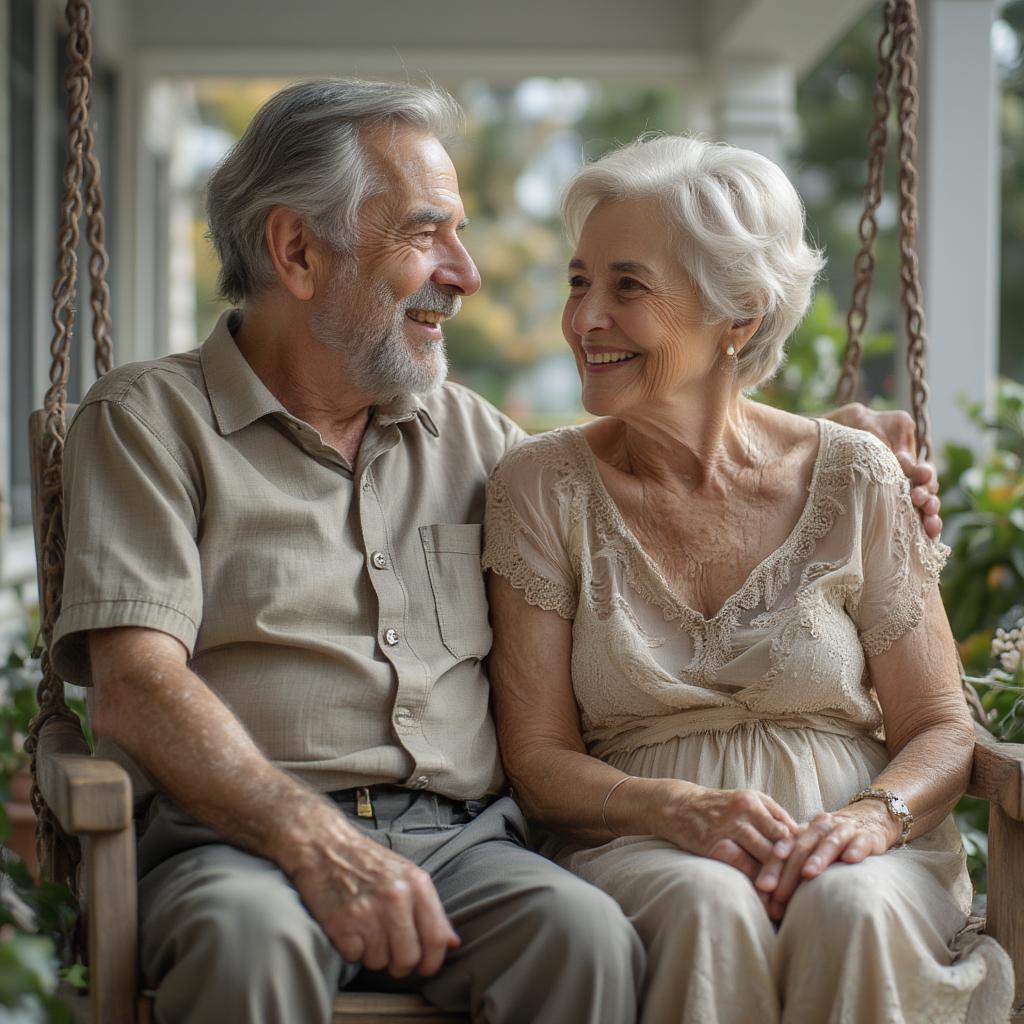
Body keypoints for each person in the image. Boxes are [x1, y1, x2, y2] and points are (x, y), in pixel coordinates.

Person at [52, 81, 943, 1023]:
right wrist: (315, 840)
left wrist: (826, 447)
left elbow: (651, 472)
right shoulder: (150, 424)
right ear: (298, 251)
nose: (467, 272)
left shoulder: (480, 443)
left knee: (584, 936)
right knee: (247, 942)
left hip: (466, 848)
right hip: (240, 841)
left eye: (463, 233)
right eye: (425, 233)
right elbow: (138, 685)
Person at [482, 134, 1014, 1024]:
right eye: (580, 282)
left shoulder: (855, 474)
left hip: (860, 843)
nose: (584, 320)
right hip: (639, 842)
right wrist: (678, 811)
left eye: (627, 285)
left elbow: (938, 724)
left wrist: (873, 819)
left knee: (848, 904)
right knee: (707, 903)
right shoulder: (542, 487)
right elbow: (536, 761)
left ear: (740, 313)